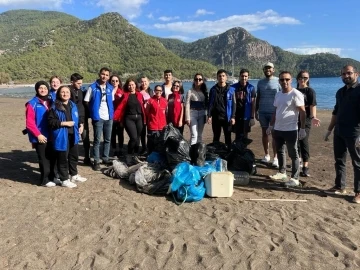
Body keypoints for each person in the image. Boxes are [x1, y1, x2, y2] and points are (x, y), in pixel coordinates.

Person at [324, 65, 360, 203]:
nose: (346, 76)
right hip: (339, 131)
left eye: (349, 73)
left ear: (356, 74)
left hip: (354, 132)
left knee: (357, 162)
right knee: (339, 160)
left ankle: (358, 192)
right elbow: (335, 112)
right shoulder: (340, 92)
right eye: (343, 74)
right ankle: (340, 186)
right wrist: (329, 130)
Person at [268, 71, 306, 187]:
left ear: (291, 80)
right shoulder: (278, 94)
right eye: (282, 80)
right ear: (279, 81)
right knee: (280, 151)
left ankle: (295, 178)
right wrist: (271, 125)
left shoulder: (296, 94)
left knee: (293, 154)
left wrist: (302, 128)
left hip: (291, 129)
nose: (284, 82)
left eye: (287, 79)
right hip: (278, 129)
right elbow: (275, 111)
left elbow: (302, 112)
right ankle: (282, 172)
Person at [48, 86, 87, 188]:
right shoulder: (54, 107)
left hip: (73, 135)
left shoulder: (72, 105)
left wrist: (80, 125)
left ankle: (73, 175)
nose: (65, 94)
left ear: (70, 94)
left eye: (67, 92)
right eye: (63, 92)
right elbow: (51, 122)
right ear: (59, 94)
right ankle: (64, 179)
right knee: (62, 158)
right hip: (62, 136)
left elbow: (76, 118)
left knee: (74, 156)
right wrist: (64, 123)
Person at [25, 81, 58, 187]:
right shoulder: (32, 104)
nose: (43, 90)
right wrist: (38, 135)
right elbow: (30, 123)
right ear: (37, 89)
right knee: (43, 158)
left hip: (52, 135)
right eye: (40, 88)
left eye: (45, 88)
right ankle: (45, 180)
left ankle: (53, 177)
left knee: (53, 157)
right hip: (40, 136)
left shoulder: (51, 102)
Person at [84, 67, 114, 171]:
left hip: (109, 117)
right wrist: (93, 112)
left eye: (106, 75)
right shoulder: (92, 87)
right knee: (97, 140)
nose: (104, 76)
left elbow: (111, 101)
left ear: (108, 76)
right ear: (99, 74)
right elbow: (86, 101)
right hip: (98, 117)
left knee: (107, 139)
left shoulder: (110, 88)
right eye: (103, 74)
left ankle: (105, 158)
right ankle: (96, 160)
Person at [113, 78, 146, 165]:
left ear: (135, 85)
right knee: (133, 137)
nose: (131, 86)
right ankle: (129, 154)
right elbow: (120, 108)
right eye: (129, 85)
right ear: (127, 86)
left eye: (132, 84)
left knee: (138, 137)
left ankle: (135, 154)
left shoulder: (139, 95)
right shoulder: (125, 95)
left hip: (139, 118)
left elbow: (143, 107)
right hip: (129, 118)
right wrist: (116, 119)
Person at [255, 62, 281, 167]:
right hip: (262, 112)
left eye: (270, 68)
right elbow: (258, 97)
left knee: (275, 135)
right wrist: (256, 111)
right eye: (266, 68)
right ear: (264, 70)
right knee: (265, 134)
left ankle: (275, 158)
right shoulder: (260, 82)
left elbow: (282, 96)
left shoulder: (278, 81)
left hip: (274, 112)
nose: (268, 70)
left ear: (273, 70)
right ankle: (266, 155)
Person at [296, 70, 321, 177]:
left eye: (305, 78)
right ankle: (297, 163)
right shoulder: (295, 91)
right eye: (301, 78)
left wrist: (313, 117)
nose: (303, 80)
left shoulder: (310, 91)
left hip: (305, 120)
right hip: (294, 120)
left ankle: (305, 166)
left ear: (308, 79)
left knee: (304, 142)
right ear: (297, 79)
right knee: (295, 143)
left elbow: (312, 106)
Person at [207, 69, 236, 150]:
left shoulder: (231, 89)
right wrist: (209, 115)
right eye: (219, 76)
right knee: (216, 137)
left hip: (227, 117)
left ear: (226, 77)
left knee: (228, 137)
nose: (221, 78)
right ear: (217, 77)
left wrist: (233, 117)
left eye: (223, 76)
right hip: (216, 117)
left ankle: (228, 154)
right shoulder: (213, 89)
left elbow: (234, 104)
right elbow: (210, 104)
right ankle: (215, 154)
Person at [231, 68, 256, 139]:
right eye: (242, 76)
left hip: (246, 115)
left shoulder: (251, 88)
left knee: (245, 135)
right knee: (237, 134)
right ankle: (237, 149)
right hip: (236, 115)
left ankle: (244, 149)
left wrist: (252, 117)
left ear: (248, 77)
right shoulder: (233, 87)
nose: (244, 78)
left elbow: (253, 104)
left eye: (245, 76)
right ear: (239, 76)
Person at [185, 73, 209, 145]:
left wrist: (208, 116)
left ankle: (199, 152)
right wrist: (187, 118)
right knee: (194, 135)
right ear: (194, 81)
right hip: (193, 114)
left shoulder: (205, 92)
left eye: (200, 79)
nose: (198, 81)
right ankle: (192, 153)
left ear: (202, 81)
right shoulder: (190, 91)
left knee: (199, 135)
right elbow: (187, 104)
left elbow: (207, 105)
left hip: (202, 114)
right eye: (196, 79)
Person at [146, 85, 168, 153]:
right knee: (151, 143)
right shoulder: (150, 100)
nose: (158, 92)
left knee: (160, 143)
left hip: (162, 126)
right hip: (153, 126)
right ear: (154, 91)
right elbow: (147, 112)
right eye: (157, 90)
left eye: (160, 91)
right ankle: (150, 155)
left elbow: (166, 113)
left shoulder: (165, 101)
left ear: (162, 92)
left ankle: (159, 156)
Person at [110, 74, 125, 158]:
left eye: (116, 81)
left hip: (120, 116)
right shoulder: (108, 91)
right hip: (110, 116)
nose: (115, 82)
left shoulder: (122, 92)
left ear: (119, 82)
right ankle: (114, 149)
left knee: (120, 133)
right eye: (113, 81)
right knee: (112, 134)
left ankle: (121, 149)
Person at [69, 73, 85, 147]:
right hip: (71, 119)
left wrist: (81, 121)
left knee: (85, 138)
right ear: (72, 82)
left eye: (81, 83)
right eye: (78, 83)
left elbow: (81, 106)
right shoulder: (67, 92)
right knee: (72, 139)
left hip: (81, 118)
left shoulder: (81, 91)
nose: (80, 85)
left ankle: (87, 157)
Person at [139, 76, 153, 154]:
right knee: (142, 133)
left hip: (150, 116)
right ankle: (143, 148)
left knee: (150, 133)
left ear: (148, 82)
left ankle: (150, 148)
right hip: (141, 115)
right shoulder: (138, 91)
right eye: (142, 81)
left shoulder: (152, 92)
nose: (144, 83)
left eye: (145, 81)